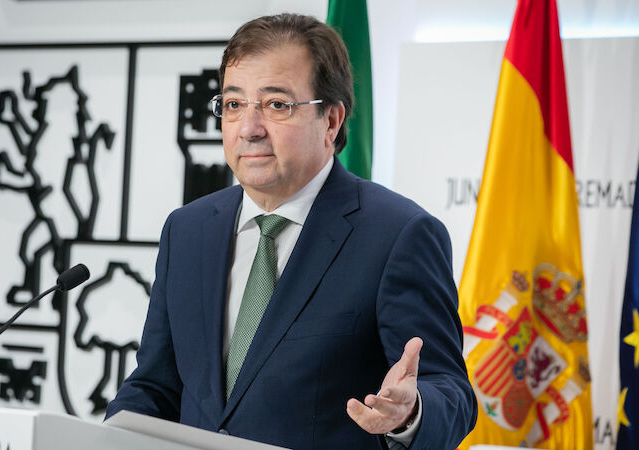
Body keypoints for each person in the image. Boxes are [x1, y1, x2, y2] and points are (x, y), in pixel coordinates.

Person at [107, 13, 477, 449]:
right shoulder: (187, 230)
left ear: (331, 121)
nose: (249, 129)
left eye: (276, 105)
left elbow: (450, 392)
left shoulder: (399, 235)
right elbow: (156, 386)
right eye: (234, 104)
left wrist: (410, 413)